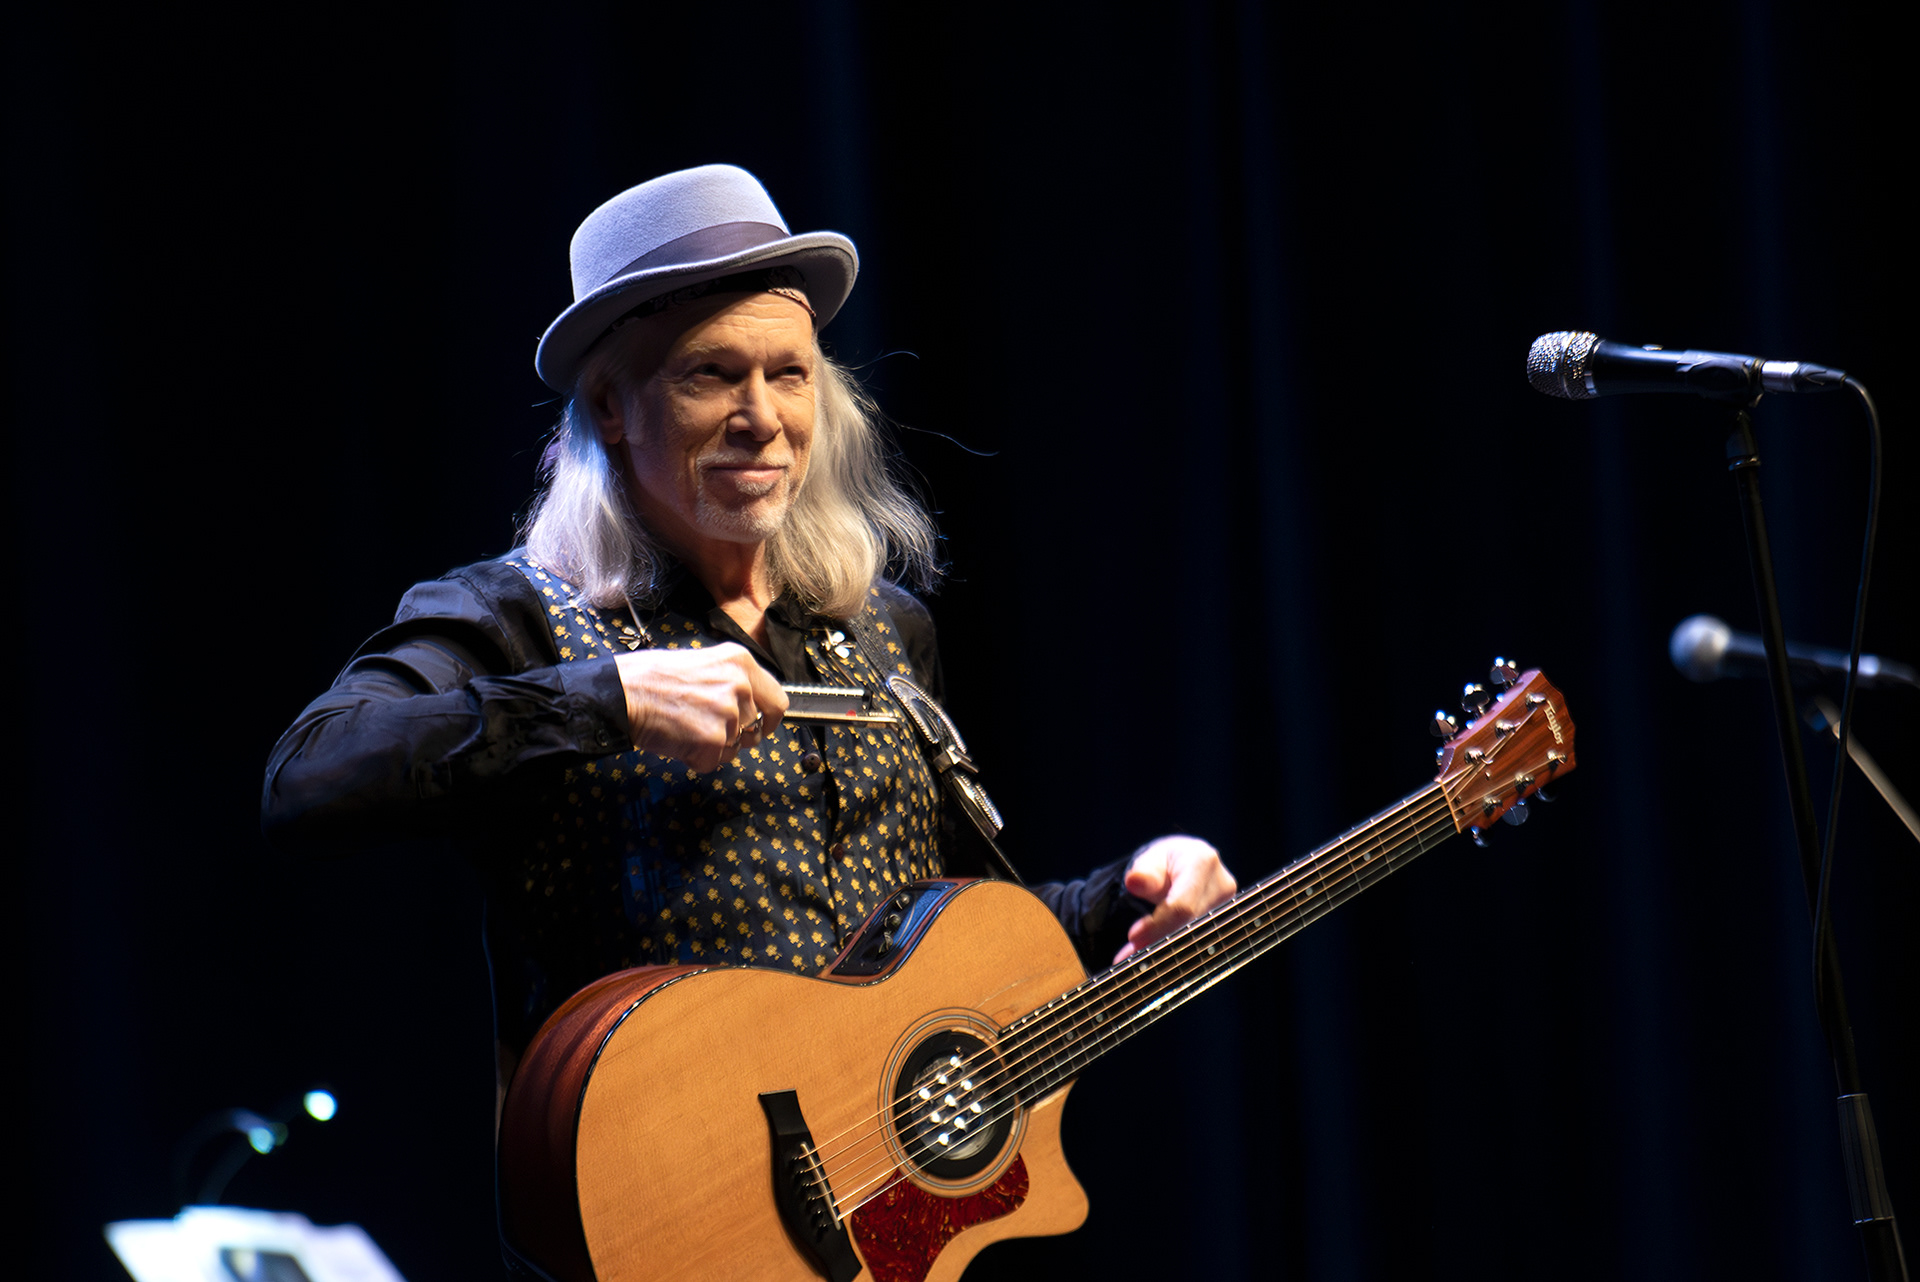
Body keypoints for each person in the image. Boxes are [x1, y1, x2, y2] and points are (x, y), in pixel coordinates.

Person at [261, 163, 1236, 1093]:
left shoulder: (885, 630)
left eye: (789, 373)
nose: (763, 418)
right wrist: (606, 699)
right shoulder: (516, 614)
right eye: (712, 374)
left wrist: (1125, 898)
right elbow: (307, 777)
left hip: (883, 1192)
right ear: (610, 404)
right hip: (657, 1187)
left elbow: (944, 945)